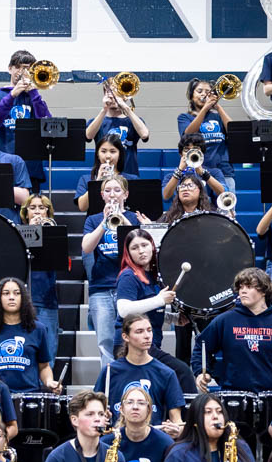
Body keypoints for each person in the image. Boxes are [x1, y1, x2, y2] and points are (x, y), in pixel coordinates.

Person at [194, 267, 272, 396]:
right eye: (240, 287)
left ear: (264, 291)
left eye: (249, 287)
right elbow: (201, 346)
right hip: (234, 396)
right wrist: (201, 372)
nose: (243, 291)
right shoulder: (225, 320)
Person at [113, 227, 195, 397]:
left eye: (144, 245)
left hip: (150, 344)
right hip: (129, 346)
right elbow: (124, 310)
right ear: (128, 253)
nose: (141, 251)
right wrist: (160, 300)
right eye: (134, 248)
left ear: (152, 246)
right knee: (182, 373)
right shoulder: (128, 276)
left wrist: (173, 318)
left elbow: (147, 313)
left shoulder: (153, 275)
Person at [81, 175, 143, 355]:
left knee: (133, 342)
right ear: (102, 195)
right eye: (107, 191)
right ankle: (109, 374)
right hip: (101, 287)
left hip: (130, 286)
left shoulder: (134, 218)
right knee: (106, 343)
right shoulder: (93, 220)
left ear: (126, 194)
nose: (112, 194)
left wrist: (123, 220)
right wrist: (104, 221)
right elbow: (86, 247)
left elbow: (141, 247)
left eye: (117, 190)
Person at [103, 314, 186, 432]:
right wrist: (102, 416)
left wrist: (176, 430)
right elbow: (95, 412)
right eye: (139, 331)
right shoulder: (110, 371)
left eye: (149, 330)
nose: (147, 336)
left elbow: (177, 421)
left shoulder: (166, 373)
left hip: (153, 438)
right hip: (118, 438)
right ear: (125, 336)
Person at [0, 276, 62, 397]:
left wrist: (49, 382)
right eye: (6, 293)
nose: (11, 297)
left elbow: (44, 366)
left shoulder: (38, 329)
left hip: (29, 396)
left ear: (23, 298)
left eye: (17, 293)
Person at [20, 191, 64, 370]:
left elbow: (61, 261)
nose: (37, 211)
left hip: (46, 299)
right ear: (26, 213)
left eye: (41, 207)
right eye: (32, 208)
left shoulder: (53, 233)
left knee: (48, 351)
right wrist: (30, 231)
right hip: (22, 300)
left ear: (48, 212)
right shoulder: (17, 233)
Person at [0, 49, 51, 156]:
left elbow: (48, 127)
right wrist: (12, 95)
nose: (22, 72)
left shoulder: (34, 98)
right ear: (10, 69)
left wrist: (34, 93)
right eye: (18, 67)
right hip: (5, 157)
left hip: (32, 159)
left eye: (27, 69)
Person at [85, 74, 150, 178]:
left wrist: (126, 108)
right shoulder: (96, 121)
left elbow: (145, 135)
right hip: (104, 175)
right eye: (109, 92)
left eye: (117, 92)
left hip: (129, 174)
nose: (113, 96)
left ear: (125, 95)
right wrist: (104, 109)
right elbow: (88, 136)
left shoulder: (133, 121)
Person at [177, 78, 235, 191]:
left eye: (207, 92)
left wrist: (218, 107)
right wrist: (205, 108)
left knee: (227, 201)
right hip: (198, 171)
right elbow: (187, 136)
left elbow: (233, 131)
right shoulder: (184, 117)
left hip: (224, 170)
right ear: (191, 96)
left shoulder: (218, 117)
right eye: (199, 91)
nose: (204, 94)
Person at [75, 131, 126, 212]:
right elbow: (82, 207)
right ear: (98, 155)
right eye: (103, 151)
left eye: (113, 151)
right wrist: (97, 181)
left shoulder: (131, 178)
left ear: (119, 155)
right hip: (95, 219)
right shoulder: (86, 179)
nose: (108, 156)